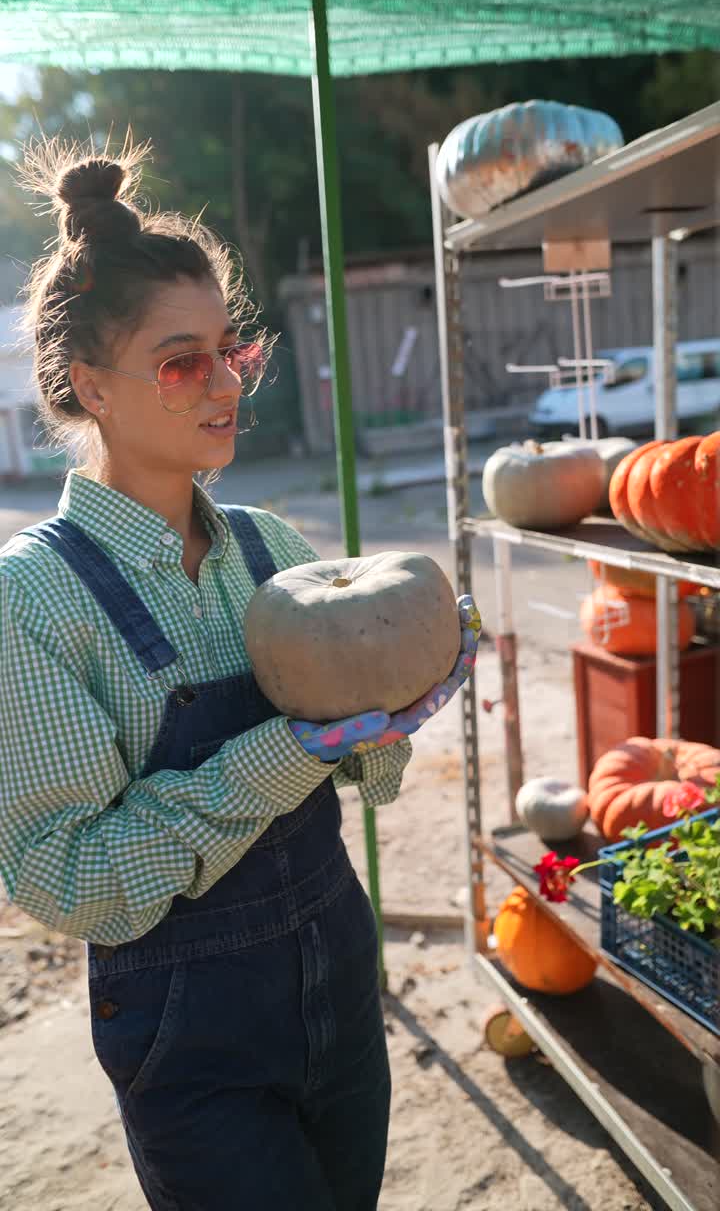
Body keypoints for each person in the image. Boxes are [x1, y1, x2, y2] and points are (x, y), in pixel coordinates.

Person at [0, 138, 481, 1211]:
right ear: (91, 385)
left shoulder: (272, 546)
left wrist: (388, 715)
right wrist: (285, 750)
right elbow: (72, 879)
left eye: (233, 349)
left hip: (340, 975)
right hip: (191, 1033)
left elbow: (368, 779)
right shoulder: (32, 600)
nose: (224, 383)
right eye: (183, 361)